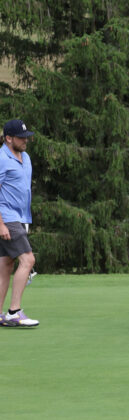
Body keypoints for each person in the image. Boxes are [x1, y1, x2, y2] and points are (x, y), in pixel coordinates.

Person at [0, 119, 38, 328]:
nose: (25, 140)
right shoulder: (1, 158)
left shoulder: (26, 157)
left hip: (21, 218)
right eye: (21, 137)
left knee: (6, 265)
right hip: (7, 218)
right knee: (28, 260)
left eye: (26, 137)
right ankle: (14, 312)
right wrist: (1, 224)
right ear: (8, 138)